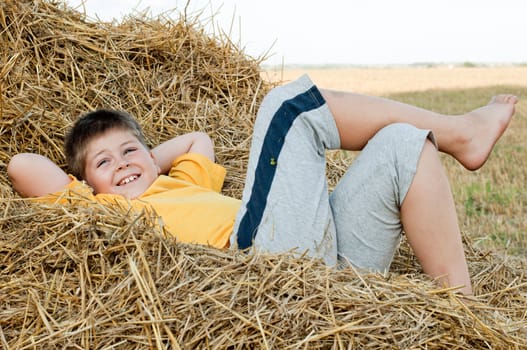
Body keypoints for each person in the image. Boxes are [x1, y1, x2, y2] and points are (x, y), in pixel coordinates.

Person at [8, 75, 518, 295]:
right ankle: (462, 133)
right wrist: (104, 184)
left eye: (129, 151)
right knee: (285, 106)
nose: (122, 164)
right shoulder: (100, 211)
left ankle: (461, 309)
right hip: (261, 258)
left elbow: (196, 139)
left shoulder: (180, 182)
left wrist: (142, 161)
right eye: (104, 162)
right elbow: (21, 165)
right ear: (83, 182)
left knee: (405, 144)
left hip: (326, 262)